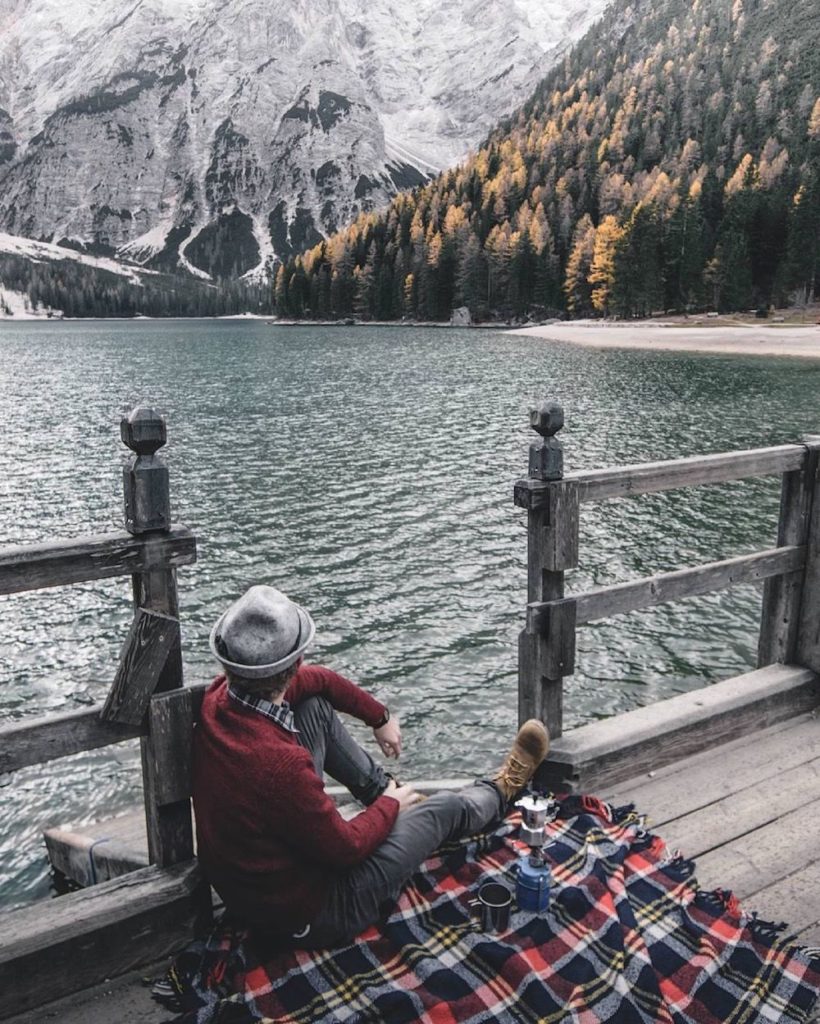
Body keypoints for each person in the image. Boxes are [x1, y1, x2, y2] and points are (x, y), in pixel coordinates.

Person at [192, 585, 549, 948]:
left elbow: (321, 681)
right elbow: (345, 849)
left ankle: (384, 792)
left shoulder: (219, 696)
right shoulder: (281, 765)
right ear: (295, 662)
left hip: (253, 888)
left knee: (314, 708)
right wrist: (388, 807)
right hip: (315, 913)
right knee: (444, 809)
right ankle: (501, 788)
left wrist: (379, 717)